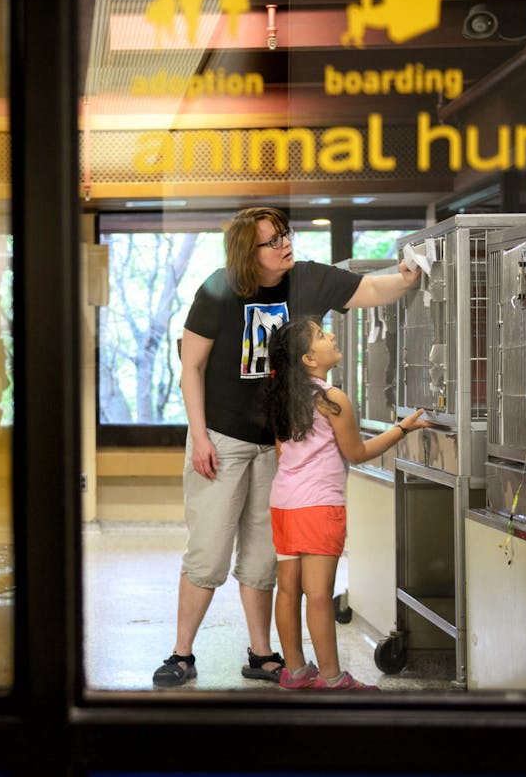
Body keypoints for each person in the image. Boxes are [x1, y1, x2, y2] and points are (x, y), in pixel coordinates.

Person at [152, 206, 420, 687]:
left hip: (278, 447)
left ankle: (261, 655)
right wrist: (199, 437)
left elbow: (371, 290)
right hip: (222, 437)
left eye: (285, 235)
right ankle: (181, 653)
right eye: (272, 241)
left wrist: (406, 276)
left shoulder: (309, 280)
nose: (285, 245)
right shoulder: (218, 288)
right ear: (246, 253)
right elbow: (190, 366)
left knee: (262, 559)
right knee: (209, 553)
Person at [262, 317, 431, 691]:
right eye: (322, 336)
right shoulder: (331, 398)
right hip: (320, 505)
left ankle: (295, 671)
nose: (332, 336)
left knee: (289, 589)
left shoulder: (283, 398)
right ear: (308, 358)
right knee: (320, 593)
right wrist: (403, 428)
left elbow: (280, 453)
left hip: (285, 503)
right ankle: (333, 679)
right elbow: (357, 452)